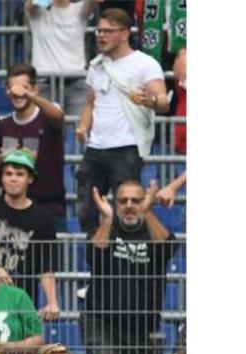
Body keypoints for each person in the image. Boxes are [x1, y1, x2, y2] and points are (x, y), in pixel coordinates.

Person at [84, 179, 177, 354]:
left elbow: (170, 247)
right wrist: (107, 218)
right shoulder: (106, 228)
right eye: (123, 200)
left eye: (136, 200)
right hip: (101, 321)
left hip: (143, 326)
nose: (129, 205)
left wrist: (149, 211)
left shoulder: (152, 231)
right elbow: (93, 254)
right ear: (115, 203)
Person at [75, 7, 169, 233]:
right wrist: (83, 126)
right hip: (96, 147)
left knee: (126, 210)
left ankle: (124, 259)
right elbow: (90, 102)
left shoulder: (145, 63)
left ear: (125, 33)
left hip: (127, 147)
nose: (101, 36)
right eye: (98, 31)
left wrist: (151, 100)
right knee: (85, 211)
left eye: (108, 31)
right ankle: (96, 258)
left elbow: (164, 102)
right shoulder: (96, 65)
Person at [0, 150, 60, 319]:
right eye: (8, 173)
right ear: (1, 178)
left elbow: (47, 266)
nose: (13, 178)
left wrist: (52, 302)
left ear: (30, 179)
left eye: (19, 174)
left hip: (21, 304)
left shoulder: (43, 218)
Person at [0, 64, 67, 221]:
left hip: (49, 208)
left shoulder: (47, 116)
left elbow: (58, 117)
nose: (17, 93)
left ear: (35, 89)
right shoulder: (3, 125)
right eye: (12, 88)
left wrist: (28, 95)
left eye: (24, 87)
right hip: (11, 209)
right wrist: (0, 159)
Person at [25, 0, 100, 118]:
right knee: (44, 132)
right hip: (44, 81)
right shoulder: (38, 10)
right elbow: (31, 5)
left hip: (76, 81)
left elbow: (92, 3)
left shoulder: (79, 9)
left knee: (79, 131)